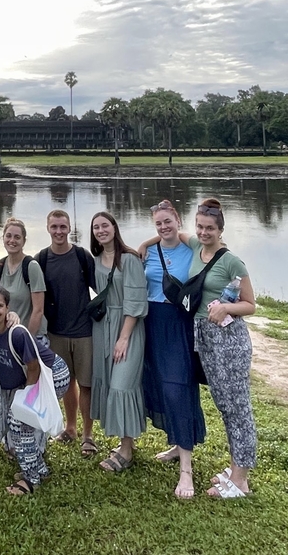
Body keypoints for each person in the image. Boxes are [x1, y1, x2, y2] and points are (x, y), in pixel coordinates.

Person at [189, 198, 256, 499]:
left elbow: (250, 304)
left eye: (210, 228)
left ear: (220, 230)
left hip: (228, 339)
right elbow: (170, 233)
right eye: (200, 227)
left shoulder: (232, 262)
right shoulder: (195, 249)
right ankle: (235, 467)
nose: (204, 232)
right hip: (204, 337)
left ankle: (241, 481)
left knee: (238, 406)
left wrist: (227, 306)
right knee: (224, 404)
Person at [141, 200, 205, 499]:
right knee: (158, 386)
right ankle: (178, 445)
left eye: (168, 221)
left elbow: (216, 246)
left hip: (177, 323)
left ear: (178, 220)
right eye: (159, 224)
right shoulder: (148, 252)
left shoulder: (192, 247)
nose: (164, 227)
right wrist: (147, 241)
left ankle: (186, 470)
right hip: (151, 323)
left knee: (178, 387)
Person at [0, 285, 71, 495]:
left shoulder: (18, 333)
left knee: (19, 423)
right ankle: (40, 469)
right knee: (22, 423)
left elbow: (33, 367)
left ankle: (31, 480)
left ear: (7, 308)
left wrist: (26, 400)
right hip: (31, 380)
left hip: (52, 375)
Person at [34, 209, 97, 455]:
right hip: (56, 333)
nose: (59, 231)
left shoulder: (82, 257)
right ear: (48, 228)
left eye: (63, 227)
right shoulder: (41, 259)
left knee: (86, 384)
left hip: (84, 331)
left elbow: (100, 288)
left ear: (69, 228)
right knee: (66, 382)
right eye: (54, 227)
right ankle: (70, 428)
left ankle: (88, 435)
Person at [90, 211, 148, 473]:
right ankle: (127, 443)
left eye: (105, 225)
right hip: (103, 328)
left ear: (114, 227)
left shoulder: (130, 260)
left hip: (128, 329)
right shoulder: (96, 260)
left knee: (122, 385)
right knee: (108, 381)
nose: (101, 231)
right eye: (96, 228)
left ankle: (125, 449)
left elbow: (135, 303)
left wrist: (124, 338)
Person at [0, 218, 46, 337]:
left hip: (31, 337)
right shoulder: (1, 265)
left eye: (17, 237)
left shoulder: (31, 267)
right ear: (3, 238)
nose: (12, 240)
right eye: (8, 236)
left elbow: (38, 311)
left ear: (24, 241)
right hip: (10, 336)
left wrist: (27, 340)